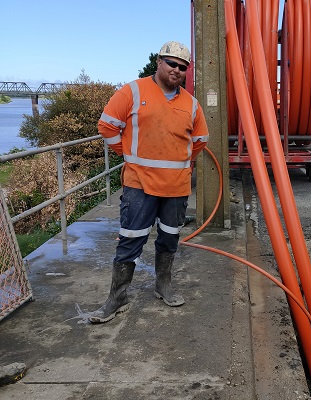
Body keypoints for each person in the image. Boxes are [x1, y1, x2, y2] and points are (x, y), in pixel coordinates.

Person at [90, 41, 209, 323]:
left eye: (183, 67)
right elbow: (107, 125)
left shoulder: (191, 104)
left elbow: (200, 140)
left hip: (176, 188)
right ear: (159, 62)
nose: (177, 70)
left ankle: (163, 285)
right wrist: (128, 154)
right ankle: (116, 298)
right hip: (139, 185)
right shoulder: (133, 91)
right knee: (130, 240)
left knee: (169, 238)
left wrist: (178, 161)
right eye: (172, 64)